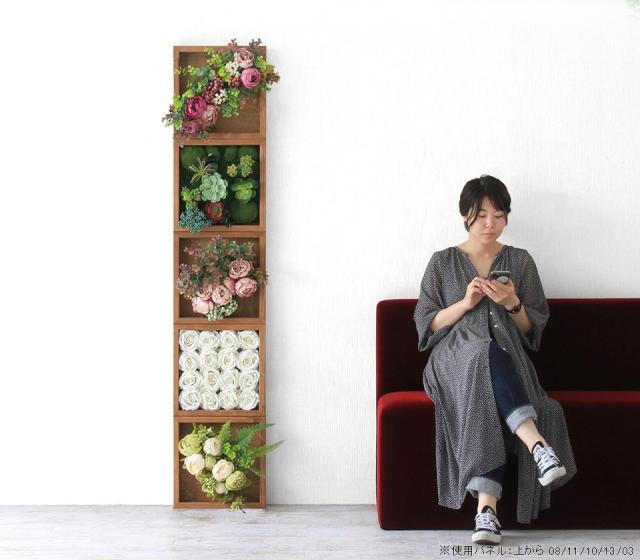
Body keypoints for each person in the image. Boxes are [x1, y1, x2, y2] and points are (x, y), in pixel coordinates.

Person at [413, 174, 577, 544]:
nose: (490, 223)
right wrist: (465, 303)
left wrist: (512, 303)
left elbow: (532, 329)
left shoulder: (520, 261)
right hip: (452, 359)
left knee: (489, 369)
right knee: (480, 352)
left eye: (499, 215)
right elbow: (427, 324)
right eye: (482, 215)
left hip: (506, 354)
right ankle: (538, 446)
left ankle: (486, 513)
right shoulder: (441, 263)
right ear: (465, 216)